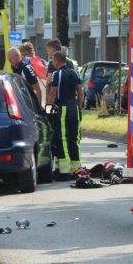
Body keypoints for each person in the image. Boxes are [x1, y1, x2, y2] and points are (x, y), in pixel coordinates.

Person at [47, 51, 83, 180]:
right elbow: (80, 92)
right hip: (74, 107)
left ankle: (64, 172)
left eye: (52, 60)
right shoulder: (74, 73)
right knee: (74, 138)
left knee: (62, 138)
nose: (52, 63)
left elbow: (53, 93)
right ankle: (76, 170)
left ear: (57, 61)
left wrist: (48, 109)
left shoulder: (57, 74)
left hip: (62, 108)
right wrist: (79, 109)